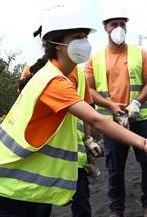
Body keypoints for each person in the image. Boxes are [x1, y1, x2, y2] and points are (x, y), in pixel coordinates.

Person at [0, 6, 147, 217]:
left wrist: (87, 142)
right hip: (6, 181)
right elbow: (97, 119)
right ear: (58, 44)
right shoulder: (52, 81)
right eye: (77, 37)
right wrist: (144, 143)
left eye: (85, 36)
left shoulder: (62, 74)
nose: (85, 43)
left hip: (24, 182)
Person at [84, 10, 147, 217]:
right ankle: (117, 210)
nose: (118, 28)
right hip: (112, 122)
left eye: (121, 23)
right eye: (113, 24)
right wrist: (109, 106)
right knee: (115, 168)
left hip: (140, 118)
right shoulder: (95, 58)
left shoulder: (140, 53)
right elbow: (89, 90)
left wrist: (137, 102)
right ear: (105, 27)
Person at [19, 56, 102, 217]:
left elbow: (86, 109)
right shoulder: (32, 68)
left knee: (81, 203)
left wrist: (88, 138)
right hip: (43, 155)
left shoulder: (78, 71)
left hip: (74, 154)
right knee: (41, 206)